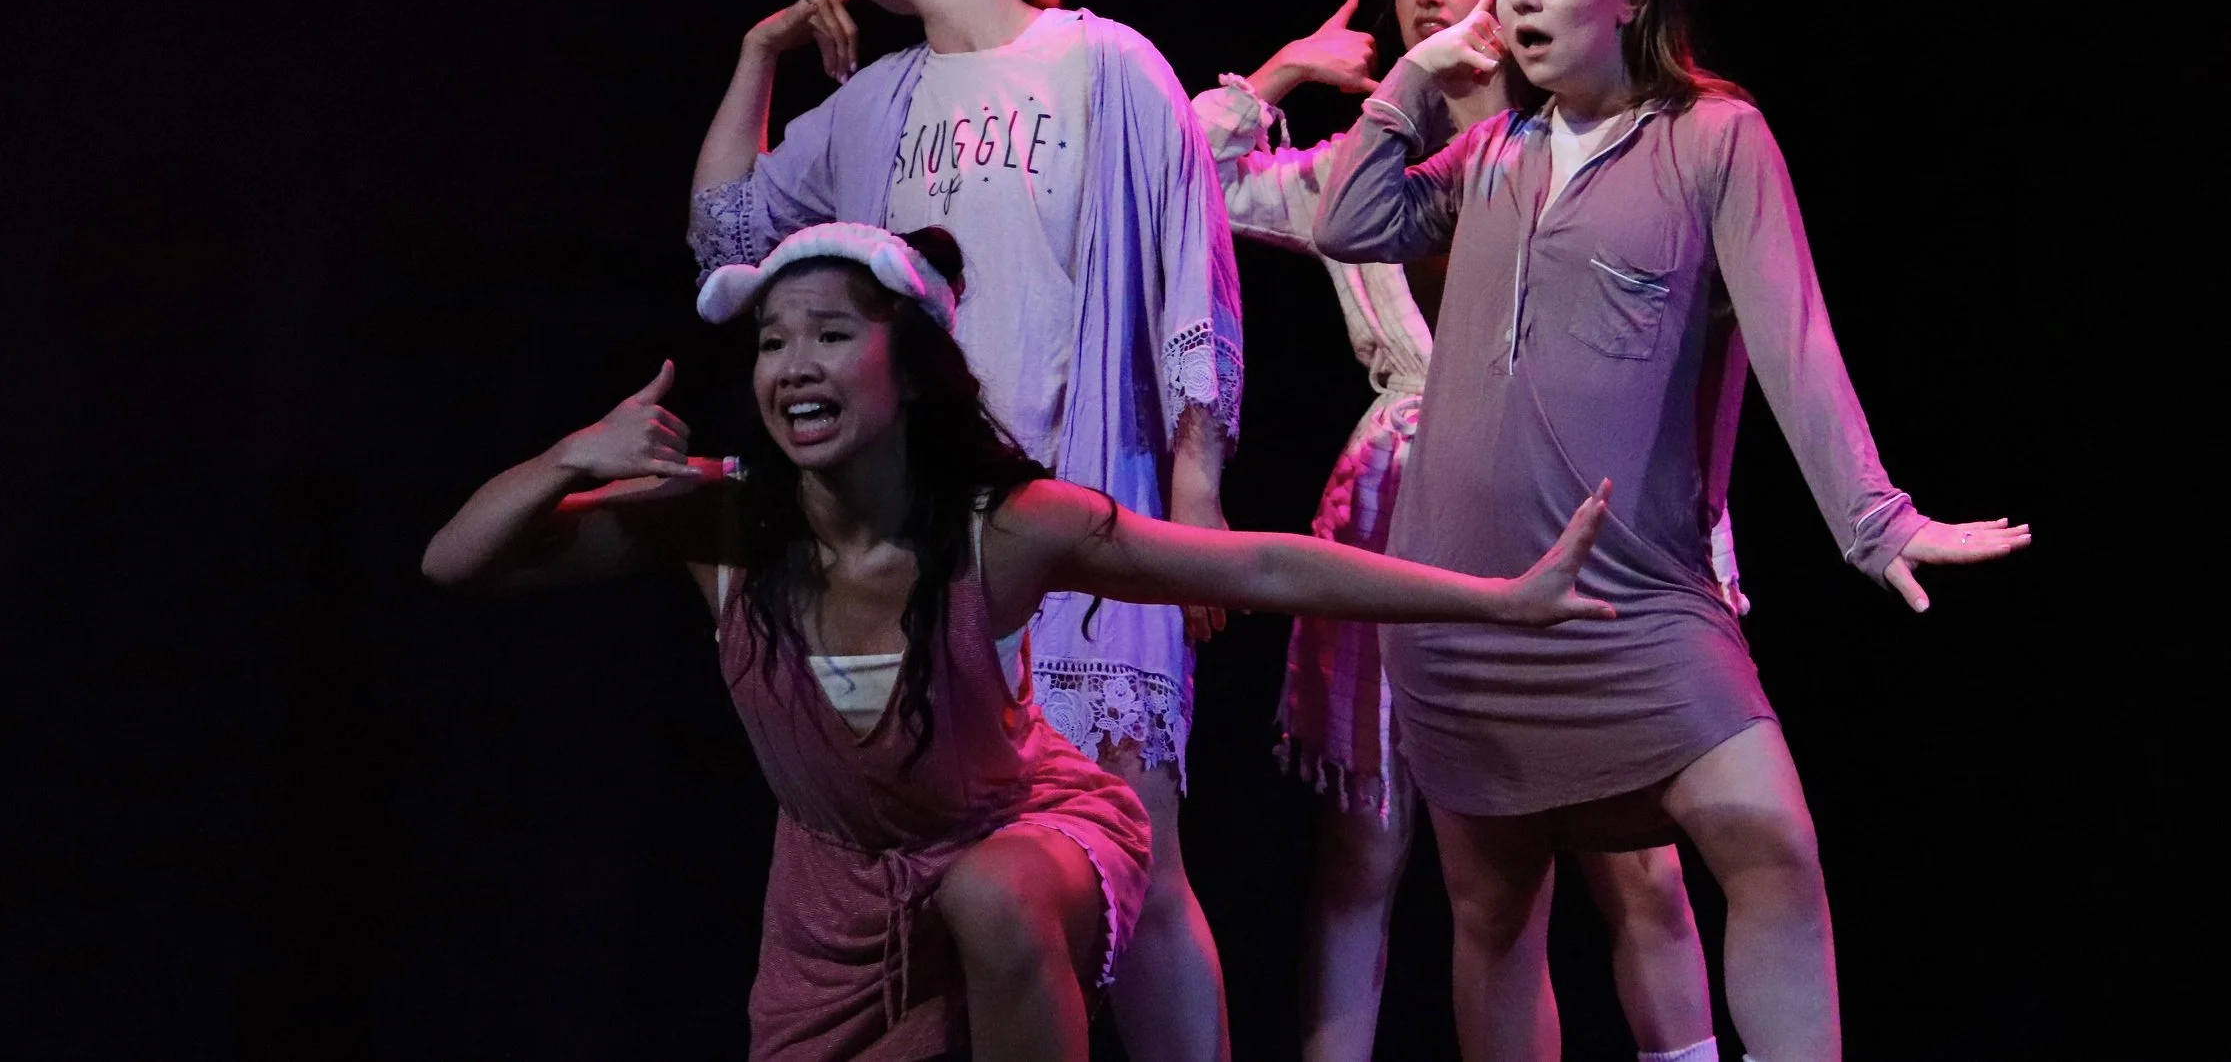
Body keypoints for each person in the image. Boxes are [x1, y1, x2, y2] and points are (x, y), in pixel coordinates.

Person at [422, 221, 1617, 1061]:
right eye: (776, 340)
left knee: (992, 894)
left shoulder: (1006, 526)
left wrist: (1500, 598)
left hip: (1023, 833)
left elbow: (1254, 563)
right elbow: (457, 559)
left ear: (910, 364)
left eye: (831, 334)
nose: (794, 364)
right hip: (833, 903)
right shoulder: (719, 519)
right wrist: (572, 459)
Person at [1311, 0, 2031, 1062]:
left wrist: (1877, 520)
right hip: (1459, 601)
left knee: (1771, 844)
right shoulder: (1490, 151)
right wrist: (1412, 77)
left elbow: (1795, 339)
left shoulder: (1711, 137)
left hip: (1630, 596)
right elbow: (1347, 221)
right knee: (1493, 911)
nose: (1521, 4)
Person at [686, 0, 1241, 1057]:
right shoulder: (878, 100)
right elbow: (725, 235)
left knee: (1134, 850)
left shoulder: (1104, 60)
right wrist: (757, 54)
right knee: (963, 868)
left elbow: (1189, 269)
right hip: (938, 533)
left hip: (1082, 500)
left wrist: (1196, 495)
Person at [1193, 0, 1742, 1062]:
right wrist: (1285, 68)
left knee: (1635, 861)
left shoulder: (1596, 145)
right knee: (1376, 853)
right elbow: (1186, 173)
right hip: (1405, 514)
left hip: (1577, 505)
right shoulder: (1364, 169)